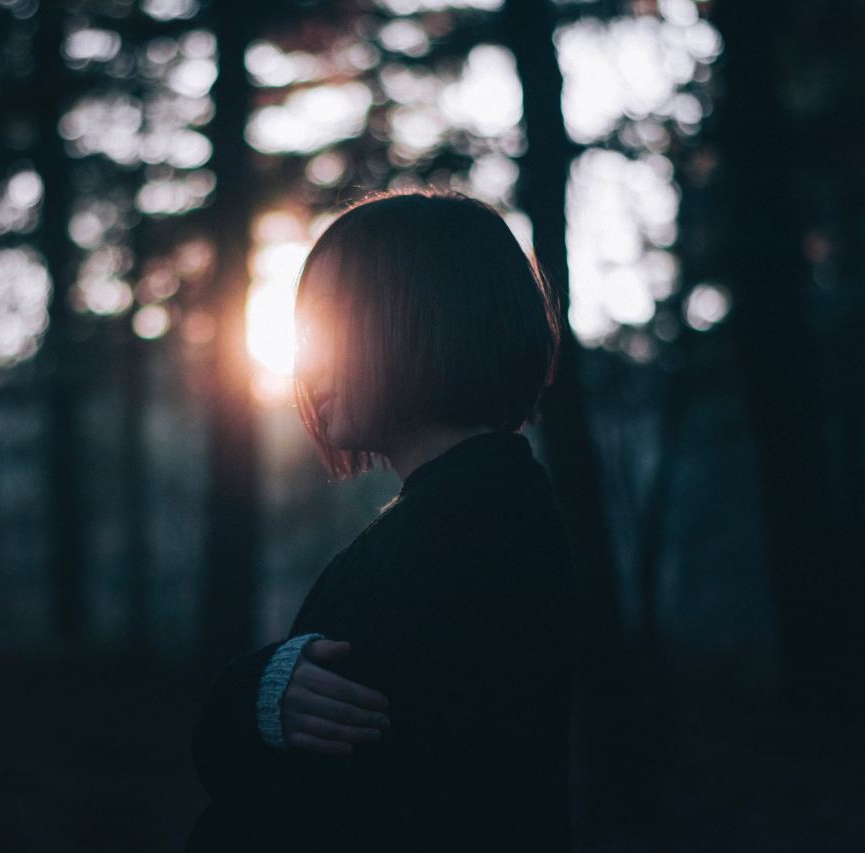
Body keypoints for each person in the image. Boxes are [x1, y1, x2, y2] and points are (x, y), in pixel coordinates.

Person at [186, 189, 575, 852]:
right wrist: (257, 695)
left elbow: (306, 807)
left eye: (330, 324)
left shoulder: (451, 546)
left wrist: (246, 701)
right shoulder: (475, 516)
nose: (308, 362)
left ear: (418, 322)